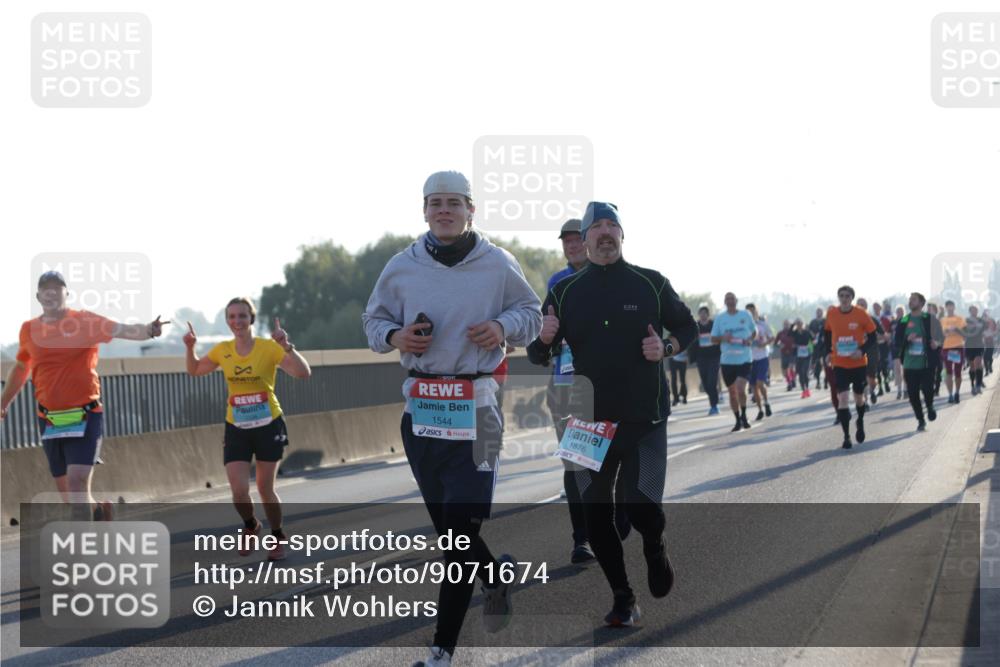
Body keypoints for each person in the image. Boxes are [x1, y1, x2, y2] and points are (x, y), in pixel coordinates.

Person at [363, 171, 542, 666]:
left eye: (454, 203)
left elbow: (532, 313)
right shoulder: (402, 266)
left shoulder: (498, 263)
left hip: (478, 409)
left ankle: (442, 652)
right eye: (435, 202)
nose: (444, 210)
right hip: (421, 413)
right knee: (451, 535)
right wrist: (397, 337)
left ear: (471, 210)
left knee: (460, 536)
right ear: (424, 210)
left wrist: (503, 326)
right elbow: (372, 322)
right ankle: (496, 577)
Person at [528, 201, 697, 628]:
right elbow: (537, 353)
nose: (604, 232)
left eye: (611, 225)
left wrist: (668, 348)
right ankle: (624, 596)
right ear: (583, 241)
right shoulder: (565, 292)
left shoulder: (651, 283)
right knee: (595, 516)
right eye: (595, 227)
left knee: (641, 508)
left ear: (622, 236)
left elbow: (687, 327)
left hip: (644, 419)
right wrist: (543, 338)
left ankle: (655, 546)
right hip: (586, 424)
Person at [0, 270, 168, 521]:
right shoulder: (29, 330)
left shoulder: (85, 321)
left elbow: (123, 329)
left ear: (67, 293)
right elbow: (23, 367)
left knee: (77, 484)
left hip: (86, 414)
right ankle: (99, 511)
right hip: (50, 420)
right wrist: (3, 403)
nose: (51, 292)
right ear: (38, 296)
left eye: (57, 287)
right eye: (46, 288)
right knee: (69, 494)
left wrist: (149, 330)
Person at [184, 298, 311, 561]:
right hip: (237, 426)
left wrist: (286, 346)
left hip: (268, 424)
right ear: (228, 321)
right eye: (231, 317)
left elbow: (303, 373)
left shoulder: (268, 348)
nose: (237, 322)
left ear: (251, 319)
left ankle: (277, 536)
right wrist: (189, 347)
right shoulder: (223, 350)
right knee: (238, 490)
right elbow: (195, 369)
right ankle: (252, 525)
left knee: (265, 488)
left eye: (242, 316)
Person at [544, 218, 597, 565]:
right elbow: (544, 332)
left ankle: (611, 523)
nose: (572, 245)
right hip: (565, 383)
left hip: (606, 385)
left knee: (605, 464)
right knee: (575, 463)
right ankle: (582, 539)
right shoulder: (557, 282)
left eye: (577, 239)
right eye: (566, 241)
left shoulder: (609, 277)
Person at [817, 285, 877, 449]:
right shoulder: (832, 314)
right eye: (841, 296)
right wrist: (829, 351)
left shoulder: (861, 314)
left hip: (858, 363)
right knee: (843, 398)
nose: (844, 299)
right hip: (840, 362)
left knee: (859, 398)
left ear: (852, 298)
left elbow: (873, 336)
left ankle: (860, 421)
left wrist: (861, 350)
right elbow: (827, 333)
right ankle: (846, 436)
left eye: (847, 296)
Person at [892, 292, 942, 431]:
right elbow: (896, 342)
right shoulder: (904, 320)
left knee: (927, 389)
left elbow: (941, 338)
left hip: (927, 363)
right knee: (913, 394)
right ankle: (921, 420)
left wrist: (936, 343)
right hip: (909, 364)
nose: (910, 301)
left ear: (921, 303)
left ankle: (930, 406)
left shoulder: (930, 318)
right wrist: (907, 340)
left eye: (913, 299)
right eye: (910, 299)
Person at [711, 293, 757, 431]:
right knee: (732, 393)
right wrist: (723, 338)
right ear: (725, 302)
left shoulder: (745, 315)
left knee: (740, 389)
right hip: (727, 361)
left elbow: (754, 332)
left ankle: (744, 415)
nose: (730, 301)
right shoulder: (720, 318)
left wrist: (750, 339)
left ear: (736, 301)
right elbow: (713, 339)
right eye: (728, 299)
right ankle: (737, 420)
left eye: (732, 299)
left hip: (744, 359)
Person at [745, 303, 773, 421]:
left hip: (762, 357)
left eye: (753, 311)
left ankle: (766, 402)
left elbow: (772, 337)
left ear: (756, 312)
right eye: (748, 312)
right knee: (753, 387)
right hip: (750, 359)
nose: (751, 314)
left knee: (760, 383)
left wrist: (764, 344)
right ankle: (760, 410)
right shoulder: (744, 327)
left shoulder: (762, 325)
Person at [855, 298, 885, 406]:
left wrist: (873, 336)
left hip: (872, 351)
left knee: (871, 377)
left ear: (866, 307)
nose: (861, 307)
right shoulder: (853, 320)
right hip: (858, 352)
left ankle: (872, 390)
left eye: (863, 305)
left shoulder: (872, 319)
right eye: (859, 305)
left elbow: (883, 334)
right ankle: (865, 401)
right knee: (861, 377)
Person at [693, 306, 721, 415]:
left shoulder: (713, 325)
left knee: (711, 382)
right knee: (705, 384)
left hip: (714, 357)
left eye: (705, 313)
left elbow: (719, 338)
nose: (703, 315)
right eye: (701, 313)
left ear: (708, 315)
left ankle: (714, 405)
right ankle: (714, 398)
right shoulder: (696, 326)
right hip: (701, 358)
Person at [939, 300, 966, 403]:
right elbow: (940, 334)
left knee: (958, 372)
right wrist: (945, 332)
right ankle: (950, 394)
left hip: (958, 347)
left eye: (951, 306)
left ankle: (957, 393)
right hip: (947, 348)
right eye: (948, 306)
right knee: (948, 372)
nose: (950, 308)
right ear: (946, 308)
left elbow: (965, 334)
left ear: (954, 307)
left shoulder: (960, 319)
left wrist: (956, 330)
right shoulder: (943, 320)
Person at [964, 305, 986, 395]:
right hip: (969, 345)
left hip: (979, 344)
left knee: (978, 363)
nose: (975, 312)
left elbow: (984, 329)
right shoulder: (966, 320)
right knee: (972, 366)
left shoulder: (981, 320)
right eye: (973, 310)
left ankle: (978, 385)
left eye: (976, 310)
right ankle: (972, 385)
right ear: (970, 311)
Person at [790, 318, 813, 398]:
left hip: (807, 355)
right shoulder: (795, 333)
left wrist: (809, 346)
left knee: (804, 372)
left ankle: (807, 388)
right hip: (798, 355)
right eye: (798, 324)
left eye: (800, 323)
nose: (799, 325)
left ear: (803, 324)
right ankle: (804, 390)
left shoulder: (807, 332)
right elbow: (789, 333)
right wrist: (793, 324)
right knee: (800, 374)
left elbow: (813, 340)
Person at [775, 320, 797, 391]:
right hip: (784, 353)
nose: (786, 325)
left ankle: (792, 380)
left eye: (787, 324)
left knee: (791, 367)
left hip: (792, 352)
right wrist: (779, 345)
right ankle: (790, 381)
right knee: (784, 371)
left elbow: (799, 340)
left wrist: (795, 345)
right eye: (785, 324)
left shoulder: (793, 332)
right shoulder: (780, 333)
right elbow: (775, 343)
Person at [808, 307, 827, 389]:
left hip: (825, 345)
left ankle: (826, 380)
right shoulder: (813, 322)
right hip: (816, 346)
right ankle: (818, 381)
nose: (819, 313)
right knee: (817, 364)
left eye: (820, 311)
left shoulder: (825, 321)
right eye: (817, 311)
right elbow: (809, 331)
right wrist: (813, 336)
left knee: (826, 364)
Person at [984, 309, 997, 376]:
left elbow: (996, 329)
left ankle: (990, 366)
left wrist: (992, 335)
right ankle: (986, 370)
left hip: (991, 341)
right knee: (984, 357)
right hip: (983, 342)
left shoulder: (992, 321)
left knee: (989, 356)